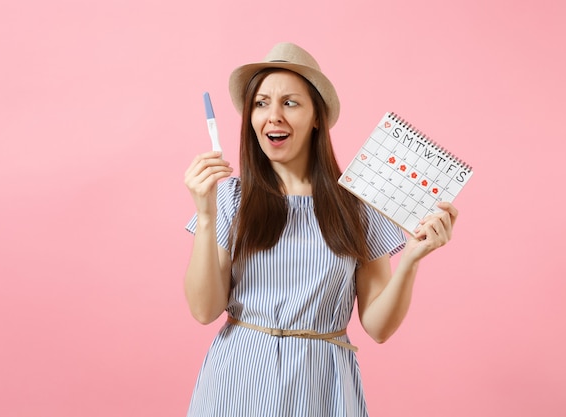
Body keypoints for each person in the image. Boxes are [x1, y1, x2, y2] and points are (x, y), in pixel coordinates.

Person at [183, 42, 458, 416]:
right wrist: (205, 215)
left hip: (322, 385)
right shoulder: (230, 198)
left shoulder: (358, 205)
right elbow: (204, 310)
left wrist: (411, 257)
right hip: (237, 381)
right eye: (261, 103)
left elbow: (377, 328)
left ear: (317, 117)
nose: (273, 116)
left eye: (290, 103)